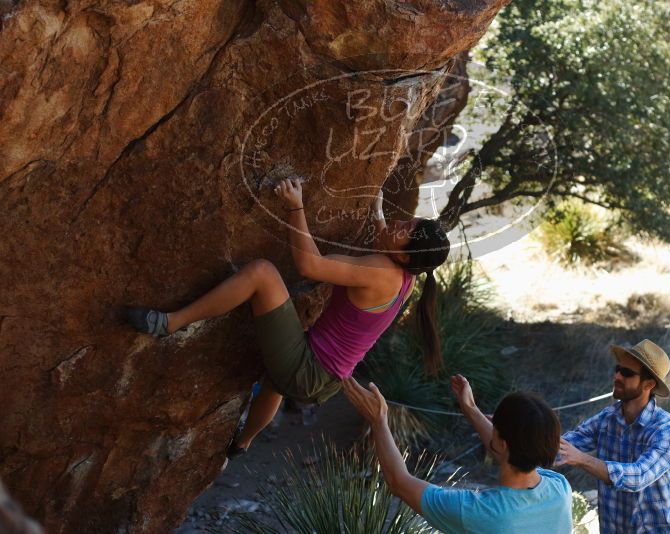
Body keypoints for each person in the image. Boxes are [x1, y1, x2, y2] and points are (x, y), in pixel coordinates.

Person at [128, 177, 450, 457]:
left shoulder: (380, 271)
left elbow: (311, 266)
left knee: (262, 273)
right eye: (410, 221)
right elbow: (386, 238)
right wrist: (379, 214)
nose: (400, 223)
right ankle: (242, 444)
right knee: (274, 383)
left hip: (308, 370)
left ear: (404, 255)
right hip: (325, 381)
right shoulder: (407, 281)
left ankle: (172, 322)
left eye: (406, 229)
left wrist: (296, 207)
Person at [343, 375, 573, 534]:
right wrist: (471, 409)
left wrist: (378, 421)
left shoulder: (479, 513)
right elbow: (510, 448)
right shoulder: (559, 488)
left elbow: (399, 482)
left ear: (502, 442)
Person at [557, 339, 670, 533]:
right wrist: (509, 428)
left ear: (649, 384)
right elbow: (562, 447)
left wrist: (582, 459)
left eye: (627, 373)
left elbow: (638, 476)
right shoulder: (607, 418)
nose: (617, 376)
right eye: (617, 369)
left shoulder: (667, 431)